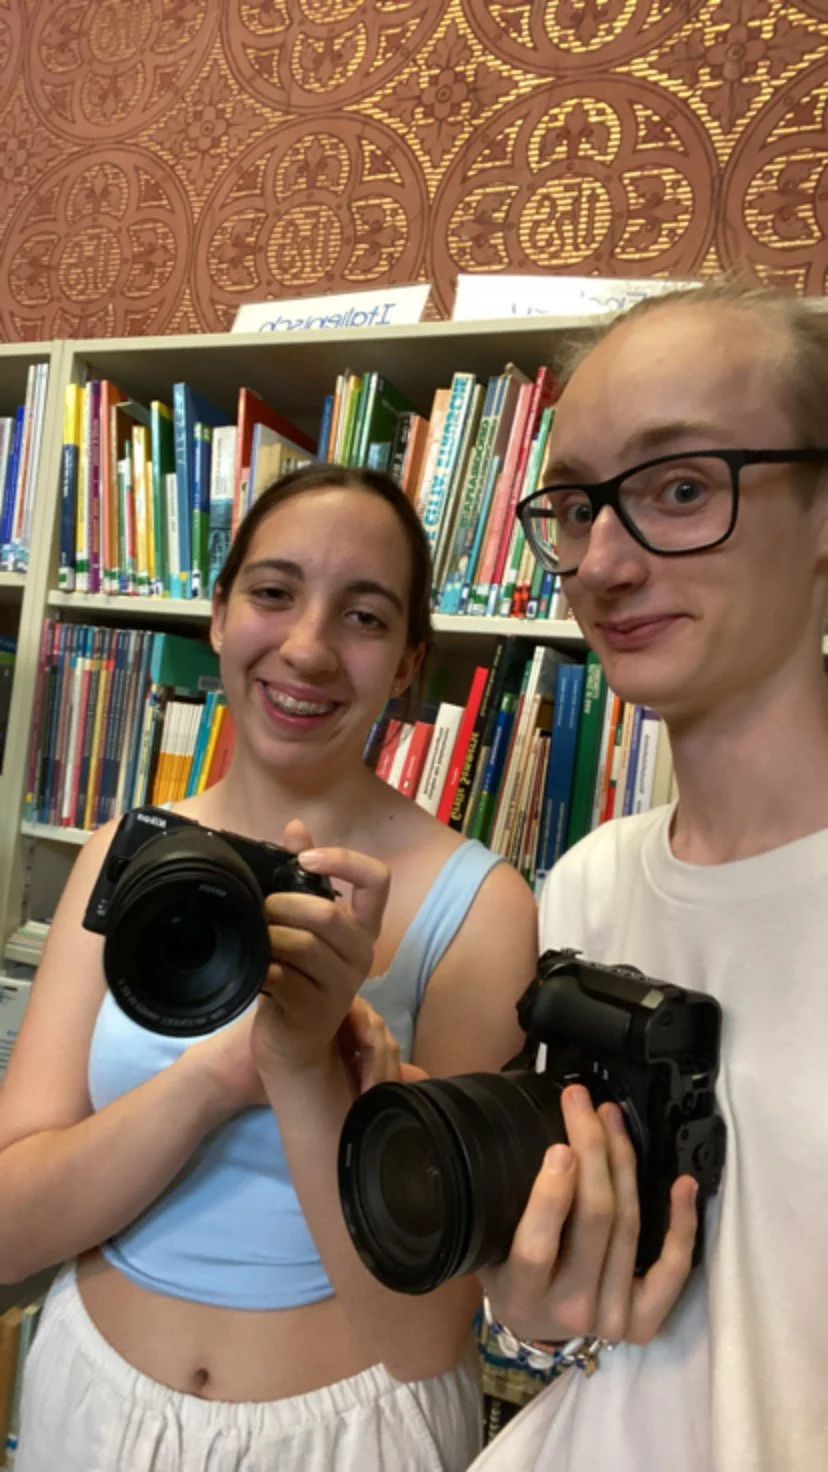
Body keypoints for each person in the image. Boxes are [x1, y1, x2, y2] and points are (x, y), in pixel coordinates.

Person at [0, 464, 538, 1472]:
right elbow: (8, 1224)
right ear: (217, 614)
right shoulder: (120, 852)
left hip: (345, 1432)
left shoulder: (481, 908)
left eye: (365, 616)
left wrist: (305, 1062)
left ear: (410, 662)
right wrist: (221, 1071)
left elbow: (424, 1334)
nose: (306, 647)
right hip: (90, 1403)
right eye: (274, 591)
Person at [467, 277, 828, 1472]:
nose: (605, 562)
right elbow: (562, 1326)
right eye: (575, 506)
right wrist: (539, 1307)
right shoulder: (585, 886)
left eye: (679, 487)